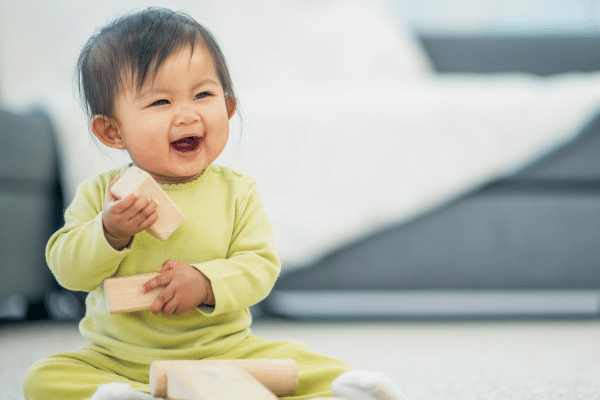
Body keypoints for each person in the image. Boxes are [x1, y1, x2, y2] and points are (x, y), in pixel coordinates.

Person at [23, 7, 408, 400]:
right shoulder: (101, 195)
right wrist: (110, 232)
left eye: (203, 94)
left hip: (225, 352)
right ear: (113, 130)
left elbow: (258, 267)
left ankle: (350, 391)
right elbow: (68, 271)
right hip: (121, 357)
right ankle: (125, 393)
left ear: (227, 107)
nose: (187, 114)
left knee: (302, 361)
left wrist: (206, 283)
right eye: (160, 102)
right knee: (45, 376)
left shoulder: (237, 192)